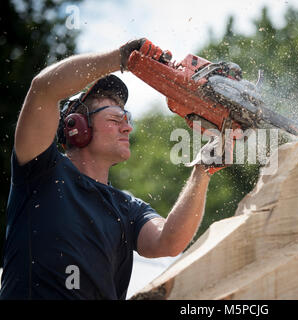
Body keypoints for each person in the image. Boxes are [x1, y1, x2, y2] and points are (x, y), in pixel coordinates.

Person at [0, 39, 222, 299]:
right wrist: (120, 59)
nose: (127, 127)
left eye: (127, 119)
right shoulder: (42, 172)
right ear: (77, 126)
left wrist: (203, 169)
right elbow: (44, 88)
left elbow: (169, 241)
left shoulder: (127, 207)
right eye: (116, 119)